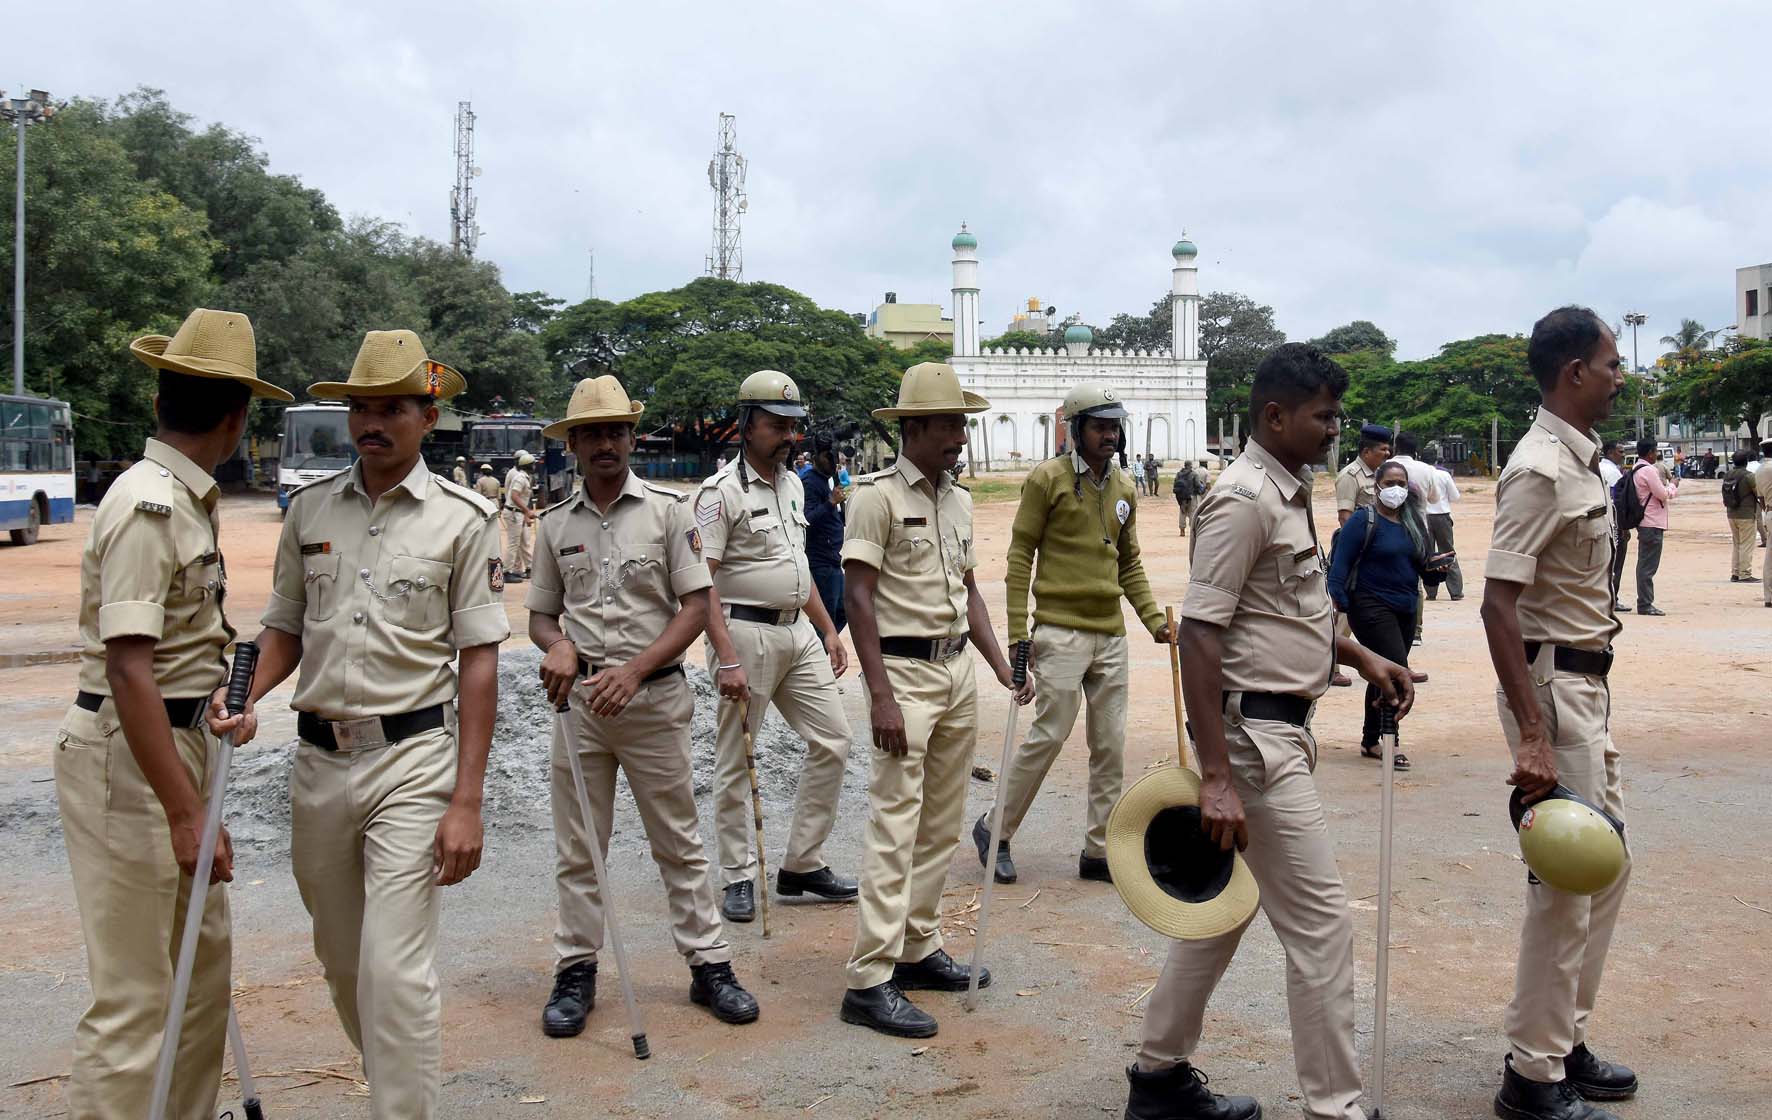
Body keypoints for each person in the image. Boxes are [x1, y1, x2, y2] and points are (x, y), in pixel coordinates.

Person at [1126, 343, 1414, 1120]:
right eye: (1322, 416)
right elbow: (1201, 635)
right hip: (1254, 743)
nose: (1335, 429)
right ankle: (1337, 1107)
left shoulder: (1289, 493)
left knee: (1225, 911)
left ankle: (1157, 1078)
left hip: (1282, 729)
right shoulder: (1243, 498)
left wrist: (1357, 652)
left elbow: (1284, 612)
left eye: (1336, 415)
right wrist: (1216, 776)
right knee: (1322, 926)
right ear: (1275, 415)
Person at [243, 330, 507, 1119]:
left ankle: (401, 1108)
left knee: (395, 970)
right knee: (341, 959)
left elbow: (481, 662)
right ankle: (397, 1076)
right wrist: (242, 694)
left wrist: (467, 798)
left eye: (392, 408)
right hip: (319, 764)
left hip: (414, 760)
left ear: (430, 417)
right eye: (360, 407)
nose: (372, 423)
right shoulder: (311, 509)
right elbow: (284, 630)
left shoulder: (465, 519)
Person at [55, 309, 290, 1120]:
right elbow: (127, 669)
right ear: (237, 416)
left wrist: (216, 708)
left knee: (199, 976)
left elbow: (171, 653)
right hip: (130, 756)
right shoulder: (147, 505)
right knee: (137, 997)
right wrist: (187, 813)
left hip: (178, 746)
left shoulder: (186, 498)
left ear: (161, 399)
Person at [528, 375, 759, 1038]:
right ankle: (576, 970)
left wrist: (635, 669)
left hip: (653, 701)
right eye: (593, 433)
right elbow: (542, 617)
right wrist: (560, 646)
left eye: (616, 431)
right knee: (580, 849)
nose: (607, 443)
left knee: (679, 843)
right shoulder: (553, 526)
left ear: (631, 437)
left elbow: (694, 607)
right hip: (579, 711)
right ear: (572, 444)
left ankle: (710, 965)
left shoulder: (669, 512)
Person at [838, 362, 1033, 1039]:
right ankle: (868, 979)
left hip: (953, 676)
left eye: (962, 423)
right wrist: (880, 695)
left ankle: (917, 947)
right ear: (913, 427)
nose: (959, 435)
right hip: (904, 676)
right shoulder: (876, 497)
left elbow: (971, 594)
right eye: (948, 424)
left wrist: (1003, 669)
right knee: (895, 824)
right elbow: (857, 598)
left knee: (942, 823)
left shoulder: (959, 499)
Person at [1480, 306, 1636, 1120]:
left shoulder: (1584, 461)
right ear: (1575, 372)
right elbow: (1497, 605)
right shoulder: (1539, 468)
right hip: (1551, 696)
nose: (1620, 376)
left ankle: (1561, 1039)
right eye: (1611, 364)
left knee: (1603, 870)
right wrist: (1533, 733)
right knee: (1566, 884)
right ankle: (1532, 1077)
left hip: (1586, 689)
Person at [975, 383, 1171, 886]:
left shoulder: (1125, 486)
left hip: (1110, 634)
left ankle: (1098, 849)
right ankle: (994, 830)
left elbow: (1130, 563)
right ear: (1075, 428)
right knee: (1049, 734)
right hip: (1059, 632)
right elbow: (1020, 559)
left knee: (1110, 743)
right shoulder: (1048, 480)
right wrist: (1020, 635)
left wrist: (1153, 621)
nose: (1110, 434)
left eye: (1115, 426)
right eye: (1100, 426)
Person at [696, 371, 857, 923]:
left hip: (798, 632)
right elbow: (702, 583)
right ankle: (739, 875)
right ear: (745, 426)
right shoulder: (720, 494)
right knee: (738, 756)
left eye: (793, 425)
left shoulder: (794, 485)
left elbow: (799, 565)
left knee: (834, 740)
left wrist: (828, 629)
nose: (787, 435)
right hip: (745, 633)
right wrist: (726, 656)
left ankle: (802, 863)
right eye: (775, 424)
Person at [1328, 460, 1438, 770]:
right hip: (1369, 605)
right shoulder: (1364, 520)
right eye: (1389, 483)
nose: (1396, 489)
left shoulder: (1413, 522)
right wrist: (1337, 600)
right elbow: (1340, 565)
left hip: (1404, 607)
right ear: (1377, 486)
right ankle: (1391, 742)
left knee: (1380, 672)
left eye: (1401, 483)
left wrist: (1438, 571)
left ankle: (1370, 739)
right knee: (1395, 670)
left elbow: (1423, 569)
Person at [1331, 424, 1391, 686]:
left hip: (1378, 553)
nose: (1387, 453)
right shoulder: (1350, 476)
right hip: (1358, 555)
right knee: (1346, 612)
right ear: (1367, 451)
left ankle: (1389, 662)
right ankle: (1330, 665)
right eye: (1382, 449)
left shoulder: (1380, 475)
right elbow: (1345, 519)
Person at [801, 437, 848, 632]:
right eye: (828, 456)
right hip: (819, 561)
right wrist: (830, 502)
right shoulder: (809, 482)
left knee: (843, 610)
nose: (832, 461)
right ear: (816, 457)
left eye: (835, 456)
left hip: (834, 559)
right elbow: (807, 520)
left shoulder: (827, 480)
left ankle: (821, 651)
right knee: (825, 620)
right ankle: (818, 656)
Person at [1629, 438, 1677, 616]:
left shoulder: (1636, 468)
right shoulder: (1649, 470)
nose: (1656, 455)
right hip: (1652, 522)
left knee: (1644, 564)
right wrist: (1673, 486)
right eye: (1655, 451)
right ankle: (1645, 603)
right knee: (1647, 566)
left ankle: (1645, 602)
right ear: (1650, 452)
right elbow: (1662, 494)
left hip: (1644, 521)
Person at [1424, 454, 1465, 601]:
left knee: (1427, 554)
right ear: (1437, 461)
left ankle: (1431, 592)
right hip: (1442, 516)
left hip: (1424, 517)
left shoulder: (1421, 473)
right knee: (1448, 552)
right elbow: (1455, 497)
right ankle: (1456, 591)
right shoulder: (1444, 474)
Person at [1600, 441, 1630, 611]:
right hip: (1615, 526)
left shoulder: (1599, 468)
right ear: (1611, 452)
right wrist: (1624, 527)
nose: (1623, 454)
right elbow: (1618, 503)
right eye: (1621, 451)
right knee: (1615, 564)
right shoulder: (1613, 474)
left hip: (1602, 524)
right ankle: (1613, 598)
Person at [1723, 448, 1757, 582]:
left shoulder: (1727, 475)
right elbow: (1757, 492)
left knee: (1737, 543)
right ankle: (1745, 573)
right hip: (1746, 514)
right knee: (1746, 544)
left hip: (1731, 513)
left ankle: (1735, 573)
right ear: (1746, 462)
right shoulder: (1749, 476)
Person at [503, 449, 537, 583]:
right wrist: (527, 511)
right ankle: (507, 572)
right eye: (533, 464)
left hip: (518, 513)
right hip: (513, 513)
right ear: (528, 465)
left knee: (524, 541)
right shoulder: (520, 478)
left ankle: (529, 568)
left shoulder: (525, 478)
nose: (535, 467)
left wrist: (526, 514)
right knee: (513, 543)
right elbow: (514, 496)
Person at [1172, 456, 1200, 537]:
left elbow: (1175, 484)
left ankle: (1182, 530)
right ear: (1190, 465)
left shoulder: (1179, 474)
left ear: (1184, 465)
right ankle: (1192, 530)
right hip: (1191, 496)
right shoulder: (1194, 474)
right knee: (1192, 513)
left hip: (1181, 497)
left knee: (1182, 512)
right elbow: (1197, 484)